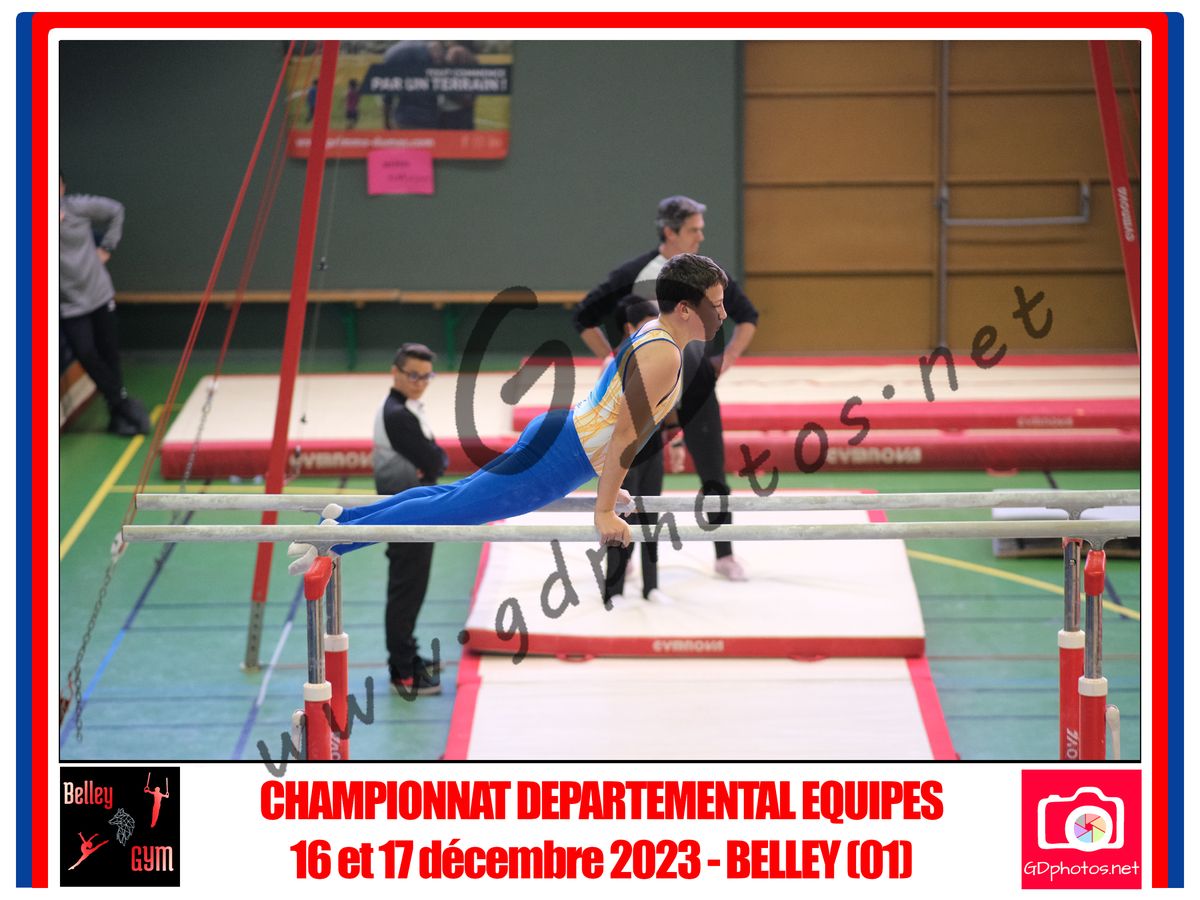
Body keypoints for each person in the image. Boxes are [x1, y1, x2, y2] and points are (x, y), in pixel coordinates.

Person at [288, 253, 729, 573]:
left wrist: (609, 490)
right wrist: (603, 511)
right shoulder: (664, 356)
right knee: (452, 509)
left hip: (562, 434)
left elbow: (614, 417)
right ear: (685, 309)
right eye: (715, 304)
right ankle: (334, 540)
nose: (723, 313)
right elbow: (625, 436)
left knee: (451, 497)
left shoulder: (652, 329)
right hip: (562, 456)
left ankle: (343, 521)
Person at [573, 195, 759, 581]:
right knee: (630, 477)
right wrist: (614, 359)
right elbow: (583, 317)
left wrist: (726, 360)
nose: (700, 237)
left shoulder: (706, 276)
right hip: (647, 391)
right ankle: (620, 558)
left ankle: (724, 553)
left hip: (696, 388)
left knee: (713, 472)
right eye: (693, 230)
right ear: (670, 232)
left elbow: (748, 317)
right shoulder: (633, 273)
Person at [374, 343, 449, 696]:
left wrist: (433, 460)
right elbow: (435, 461)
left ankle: (408, 654)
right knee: (405, 592)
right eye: (413, 375)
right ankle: (402, 671)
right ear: (396, 371)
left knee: (411, 590)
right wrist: (433, 460)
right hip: (407, 515)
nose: (420, 383)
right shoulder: (397, 415)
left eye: (426, 376)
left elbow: (433, 459)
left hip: (415, 510)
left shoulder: (406, 408)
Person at [604, 295, 685, 608]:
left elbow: (670, 404)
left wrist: (675, 441)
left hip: (652, 450)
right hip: (624, 453)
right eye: (647, 325)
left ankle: (651, 586)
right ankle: (613, 590)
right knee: (620, 520)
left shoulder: (664, 356)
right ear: (629, 328)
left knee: (651, 518)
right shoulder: (617, 362)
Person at [59, 176, 151, 436]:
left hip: (99, 294)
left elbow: (116, 210)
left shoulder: (78, 207)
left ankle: (116, 413)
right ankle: (122, 402)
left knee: (109, 352)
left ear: (62, 187)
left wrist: (107, 247)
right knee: (85, 353)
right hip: (69, 304)